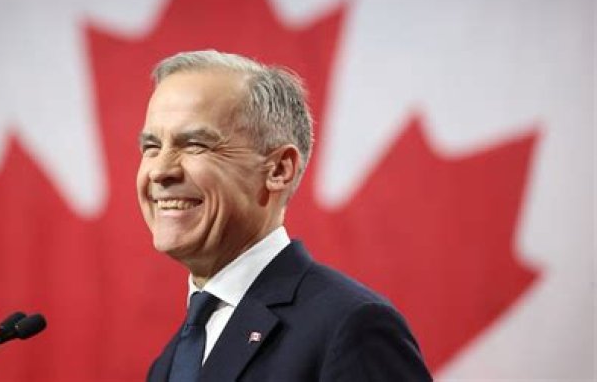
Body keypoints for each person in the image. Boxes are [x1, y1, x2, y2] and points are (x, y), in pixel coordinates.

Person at [137, 50, 432, 381]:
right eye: (151, 147)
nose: (159, 170)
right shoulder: (168, 363)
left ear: (278, 169)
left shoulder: (351, 327)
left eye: (195, 144)